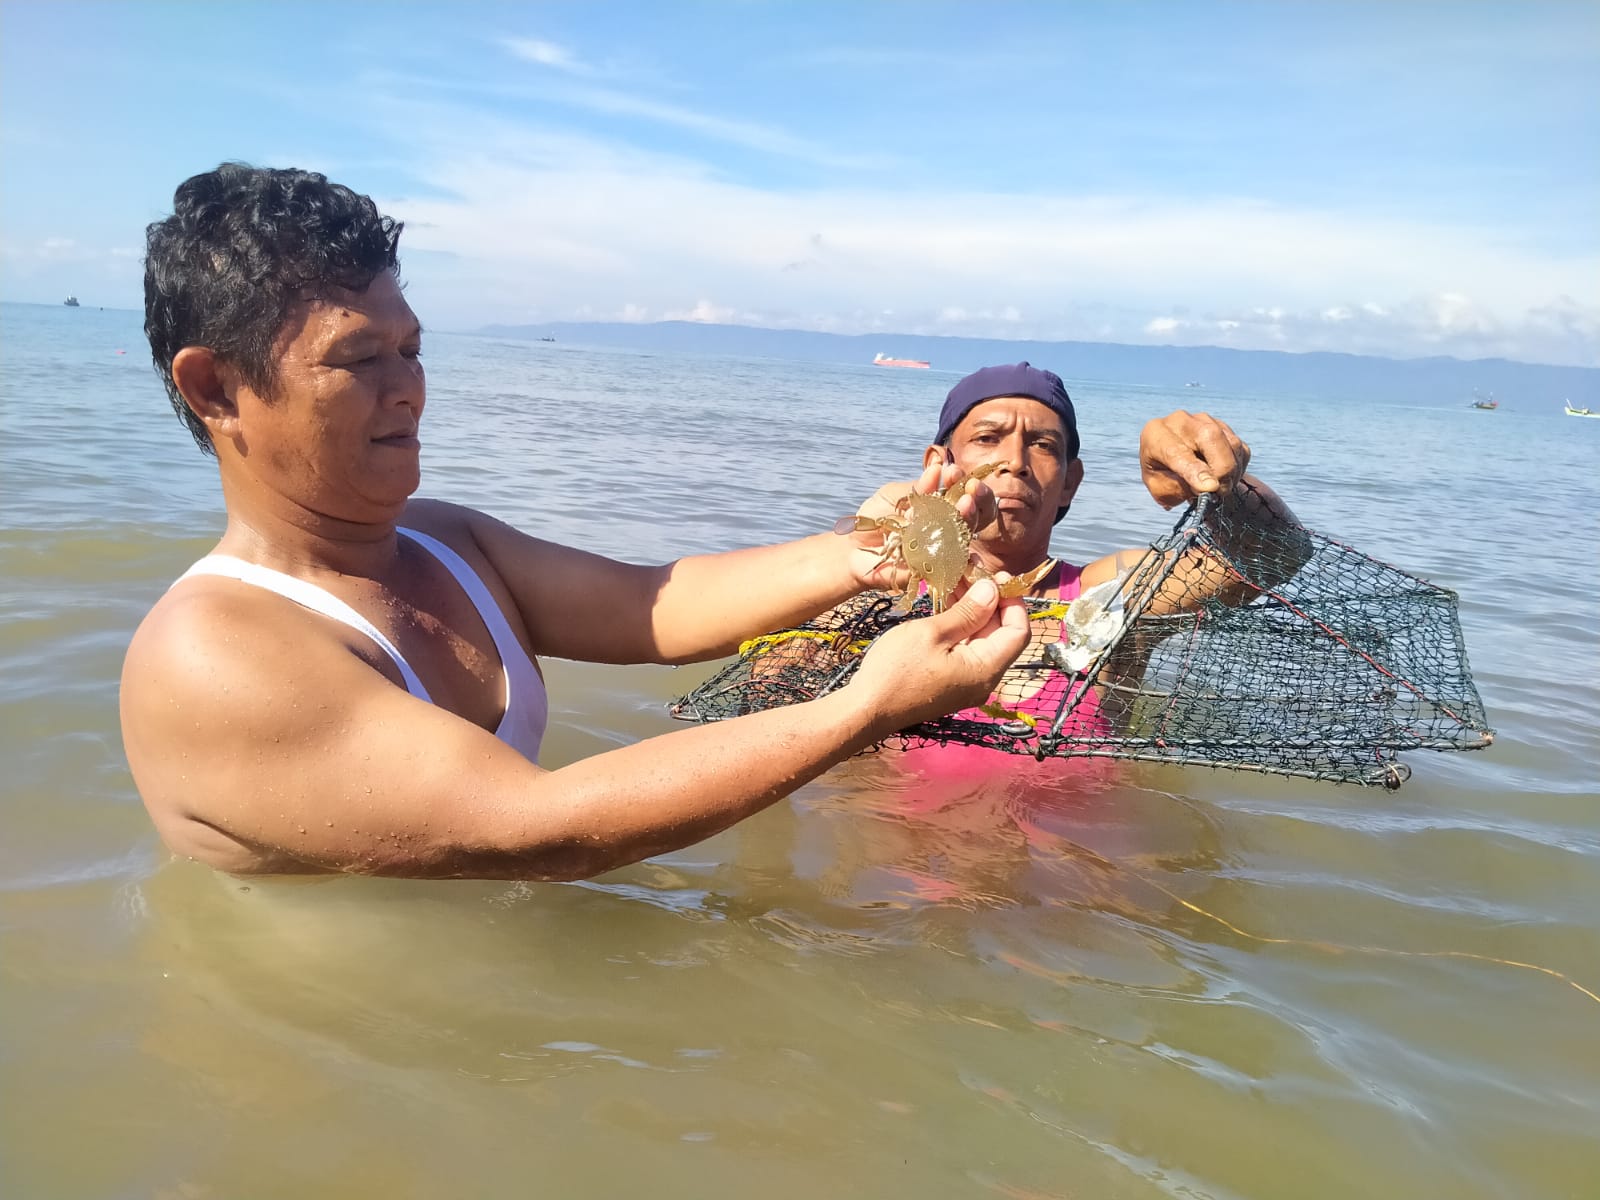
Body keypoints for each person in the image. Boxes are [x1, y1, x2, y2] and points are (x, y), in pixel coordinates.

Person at [120, 163, 1035, 882]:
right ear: (216, 389)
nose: (409, 390)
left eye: (411, 348)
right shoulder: (212, 654)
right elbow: (537, 830)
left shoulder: (446, 539)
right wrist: (866, 708)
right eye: (360, 359)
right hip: (334, 1064)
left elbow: (649, 607)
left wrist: (864, 552)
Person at [853, 361, 1304, 779]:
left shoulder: (1105, 598)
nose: (1015, 462)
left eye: (1043, 445)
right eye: (988, 439)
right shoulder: (874, 592)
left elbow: (1272, 553)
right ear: (939, 464)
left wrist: (1213, 478)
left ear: (1070, 482)